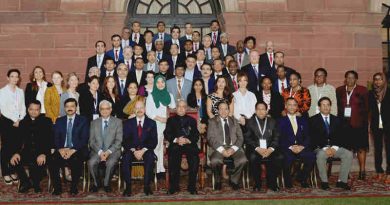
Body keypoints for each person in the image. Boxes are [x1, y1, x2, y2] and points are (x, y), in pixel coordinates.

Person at [309, 97, 352, 190]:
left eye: (328, 105)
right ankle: (324, 182)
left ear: (330, 107)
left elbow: (341, 137)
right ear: (319, 107)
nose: (326, 107)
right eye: (323, 105)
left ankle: (342, 182)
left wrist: (334, 148)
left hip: (334, 147)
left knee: (348, 154)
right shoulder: (313, 120)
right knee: (320, 155)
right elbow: (313, 138)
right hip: (320, 147)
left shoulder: (337, 119)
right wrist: (325, 148)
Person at [10, 100, 53, 193]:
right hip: (28, 151)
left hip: (42, 152)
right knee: (14, 160)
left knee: (36, 163)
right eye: (31, 109)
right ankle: (26, 181)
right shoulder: (23, 123)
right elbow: (18, 141)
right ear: (27, 109)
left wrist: (44, 153)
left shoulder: (46, 121)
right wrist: (16, 153)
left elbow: (49, 140)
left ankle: (35, 183)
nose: (34, 111)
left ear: (40, 110)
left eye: (36, 109)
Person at [49, 98, 89, 195]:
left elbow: (84, 139)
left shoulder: (83, 120)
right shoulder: (59, 121)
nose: (70, 108)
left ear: (76, 107)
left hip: (77, 149)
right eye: (67, 106)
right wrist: (61, 149)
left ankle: (74, 187)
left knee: (76, 160)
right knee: (52, 160)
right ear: (64, 108)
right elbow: (56, 138)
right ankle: (57, 188)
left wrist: (72, 150)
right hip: (62, 149)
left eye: (72, 106)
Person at [207, 102, 247, 190]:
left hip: (234, 147)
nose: (223, 111)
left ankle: (234, 180)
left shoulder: (235, 121)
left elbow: (240, 137)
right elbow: (210, 138)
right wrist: (222, 150)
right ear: (217, 111)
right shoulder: (212, 121)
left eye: (226, 109)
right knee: (215, 161)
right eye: (221, 109)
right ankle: (218, 180)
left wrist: (233, 149)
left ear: (229, 110)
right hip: (219, 148)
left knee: (243, 160)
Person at [336, 70, 369, 180]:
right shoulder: (339, 90)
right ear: (345, 79)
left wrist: (365, 123)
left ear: (356, 79)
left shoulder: (363, 90)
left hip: (359, 124)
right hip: (344, 126)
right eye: (348, 78)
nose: (350, 80)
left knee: (361, 148)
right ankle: (347, 172)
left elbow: (367, 108)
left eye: (352, 78)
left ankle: (362, 171)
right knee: (347, 149)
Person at [244, 102, 283, 191]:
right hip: (256, 149)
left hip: (270, 149)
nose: (261, 111)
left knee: (279, 157)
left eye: (263, 109)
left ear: (266, 111)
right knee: (253, 158)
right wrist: (258, 148)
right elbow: (247, 138)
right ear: (255, 111)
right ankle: (257, 183)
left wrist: (270, 149)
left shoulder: (273, 121)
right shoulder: (250, 122)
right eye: (258, 109)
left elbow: (276, 137)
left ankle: (272, 182)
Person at [122, 100, 157, 196]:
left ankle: (147, 186)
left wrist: (143, 150)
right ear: (134, 110)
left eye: (141, 107)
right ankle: (128, 187)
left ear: (145, 109)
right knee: (125, 158)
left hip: (146, 149)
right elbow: (125, 140)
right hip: (131, 149)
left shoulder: (152, 123)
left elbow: (154, 141)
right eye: (137, 108)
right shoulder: (127, 123)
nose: (139, 110)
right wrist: (133, 150)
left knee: (150, 158)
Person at [164, 100, 200, 195]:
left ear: (186, 109)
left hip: (189, 144)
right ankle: (174, 186)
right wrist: (176, 139)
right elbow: (167, 133)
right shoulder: (170, 120)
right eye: (179, 106)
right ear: (176, 108)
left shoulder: (192, 120)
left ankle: (192, 186)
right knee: (173, 154)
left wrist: (188, 140)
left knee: (194, 157)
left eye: (183, 106)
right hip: (176, 144)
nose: (181, 108)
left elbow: (196, 135)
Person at [278, 97, 315, 188]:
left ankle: (301, 178)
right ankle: (288, 181)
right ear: (286, 106)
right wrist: (291, 147)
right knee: (287, 158)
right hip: (287, 148)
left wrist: (302, 146)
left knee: (311, 156)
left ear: (297, 107)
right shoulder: (280, 121)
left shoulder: (303, 120)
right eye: (289, 105)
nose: (292, 107)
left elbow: (308, 136)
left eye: (294, 105)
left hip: (300, 147)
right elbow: (279, 138)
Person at [88, 100, 123, 193]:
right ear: (99, 110)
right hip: (97, 151)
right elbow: (91, 141)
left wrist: (107, 152)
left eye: (107, 109)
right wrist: (100, 152)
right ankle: (96, 183)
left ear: (111, 109)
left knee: (111, 163)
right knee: (91, 163)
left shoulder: (118, 122)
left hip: (113, 151)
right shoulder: (94, 123)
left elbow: (119, 141)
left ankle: (106, 184)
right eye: (102, 109)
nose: (105, 111)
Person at [0, 69, 26, 185]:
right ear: (8, 78)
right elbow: (3, 109)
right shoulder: (2, 92)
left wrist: (20, 118)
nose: (15, 79)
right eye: (12, 76)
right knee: (6, 147)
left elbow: (23, 107)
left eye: (17, 77)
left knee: (16, 147)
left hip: (19, 122)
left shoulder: (20, 91)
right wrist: (14, 119)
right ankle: (5, 172)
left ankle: (12, 169)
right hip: (7, 122)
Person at [146, 75, 176, 174]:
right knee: (157, 145)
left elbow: (173, 108)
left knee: (165, 146)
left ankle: (161, 168)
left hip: (167, 124)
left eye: (162, 82)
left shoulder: (169, 95)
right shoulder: (151, 95)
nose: (160, 84)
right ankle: (155, 169)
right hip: (155, 124)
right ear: (155, 84)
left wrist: (167, 118)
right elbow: (148, 112)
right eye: (158, 82)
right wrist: (160, 119)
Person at [369, 72, 390, 182]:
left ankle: (389, 173)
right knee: (377, 148)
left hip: (388, 124)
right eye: (375, 79)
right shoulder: (371, 93)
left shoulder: (388, 92)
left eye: (380, 79)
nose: (377, 81)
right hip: (376, 125)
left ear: (384, 80)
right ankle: (379, 171)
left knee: (389, 148)